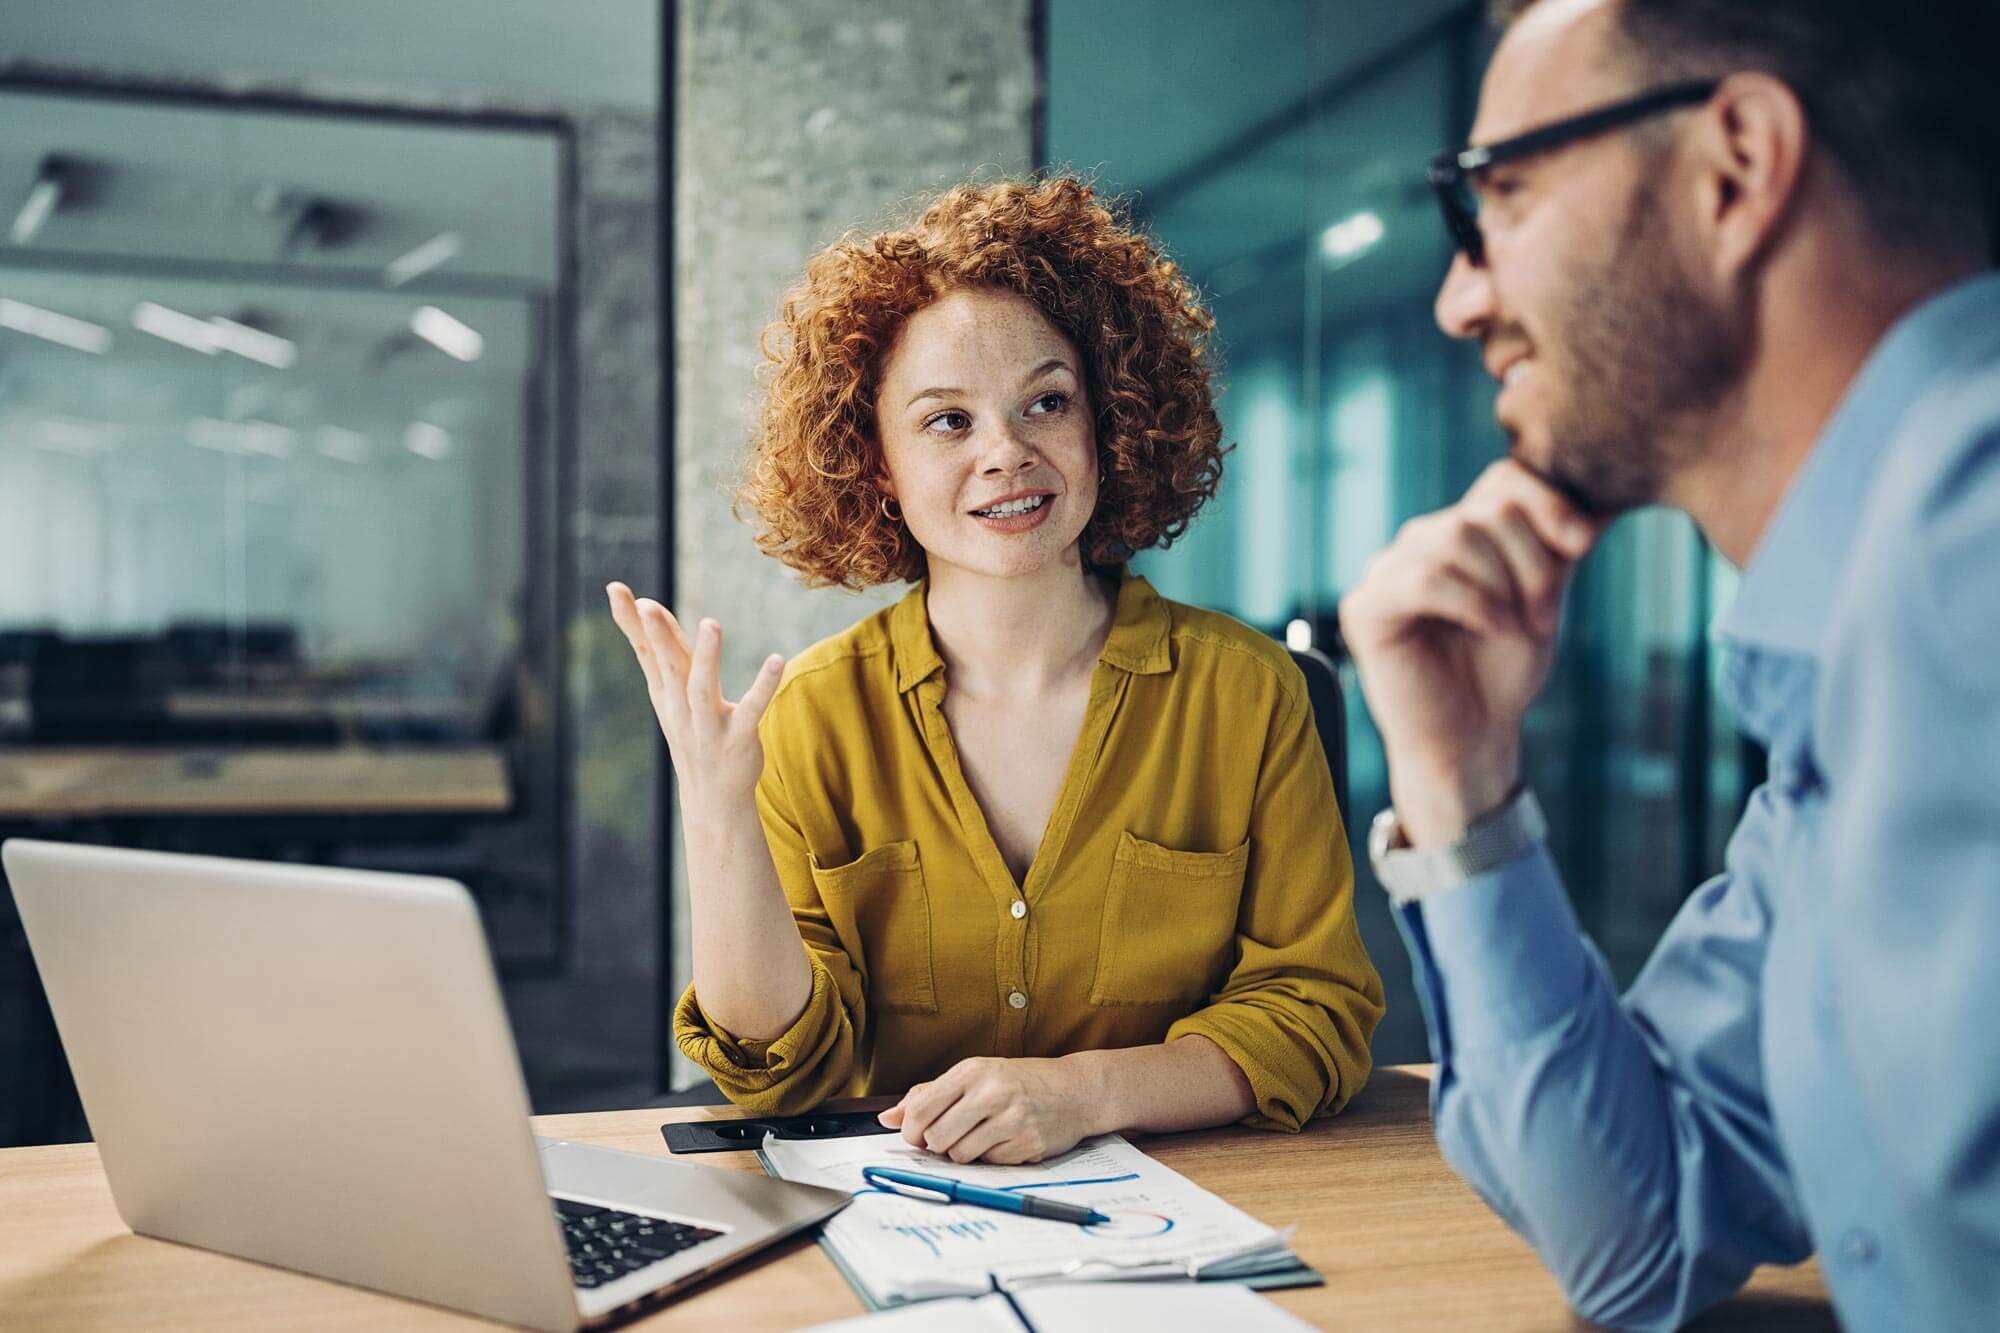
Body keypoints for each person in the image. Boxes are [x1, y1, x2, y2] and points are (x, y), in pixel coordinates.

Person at [1338, 0, 2000, 1326]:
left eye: (1501, 197)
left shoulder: (1967, 546)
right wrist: (1461, 784)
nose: (1459, 297)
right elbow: (1639, 1231)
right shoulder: (1849, 674)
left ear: (1736, 167)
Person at [610, 177, 1383, 1165]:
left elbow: (1316, 1010)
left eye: (1045, 403)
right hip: (903, 1221)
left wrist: (1084, 1091)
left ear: (1109, 424)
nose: (1005, 453)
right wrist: (715, 808)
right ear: (874, 462)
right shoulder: (811, 715)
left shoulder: (1246, 692)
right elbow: (777, 1070)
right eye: (946, 421)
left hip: (1201, 1215)